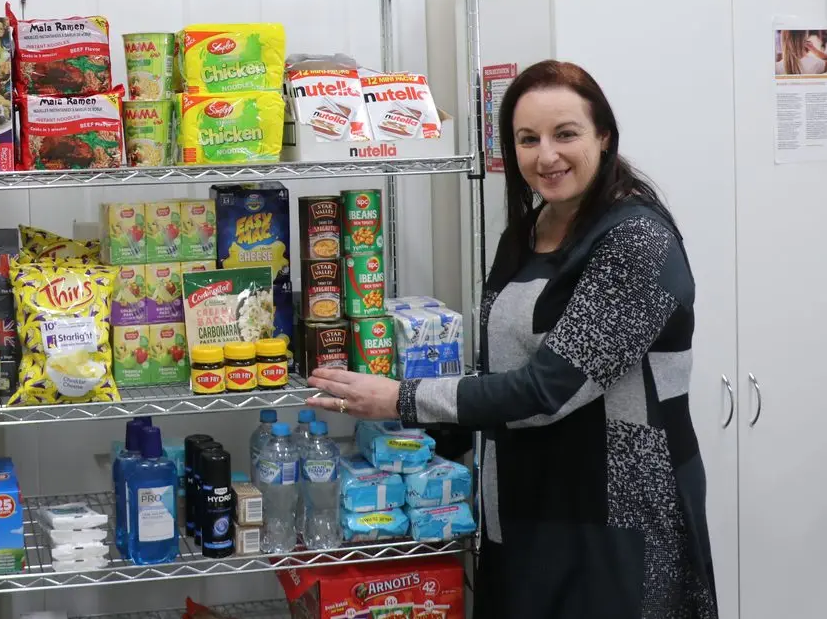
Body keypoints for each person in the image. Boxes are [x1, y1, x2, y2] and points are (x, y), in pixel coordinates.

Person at [307, 60, 717, 619]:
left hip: (617, 509)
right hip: (526, 497)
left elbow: (547, 390)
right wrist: (419, 458)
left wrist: (401, 398)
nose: (546, 155)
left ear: (604, 136)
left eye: (565, 134)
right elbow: (498, 367)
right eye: (528, 139)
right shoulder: (530, 230)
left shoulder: (636, 242)